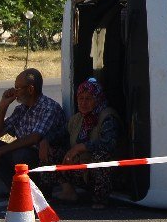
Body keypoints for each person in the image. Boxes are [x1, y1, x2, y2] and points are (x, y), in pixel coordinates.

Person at [0, 68, 67, 192]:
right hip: (21, 154)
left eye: (18, 89)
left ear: (30, 89)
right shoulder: (21, 109)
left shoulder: (49, 108)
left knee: (22, 154)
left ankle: (36, 189)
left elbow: (34, 138)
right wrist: (3, 106)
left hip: (41, 158)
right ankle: (15, 188)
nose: (14, 92)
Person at [41, 78, 121, 209]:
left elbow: (109, 145)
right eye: (81, 99)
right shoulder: (77, 119)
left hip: (106, 174)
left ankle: (100, 199)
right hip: (80, 170)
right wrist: (45, 141)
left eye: (88, 99)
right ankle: (68, 192)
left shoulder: (107, 117)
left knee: (101, 157)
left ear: (98, 99)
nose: (83, 103)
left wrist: (81, 147)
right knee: (51, 151)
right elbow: (58, 134)